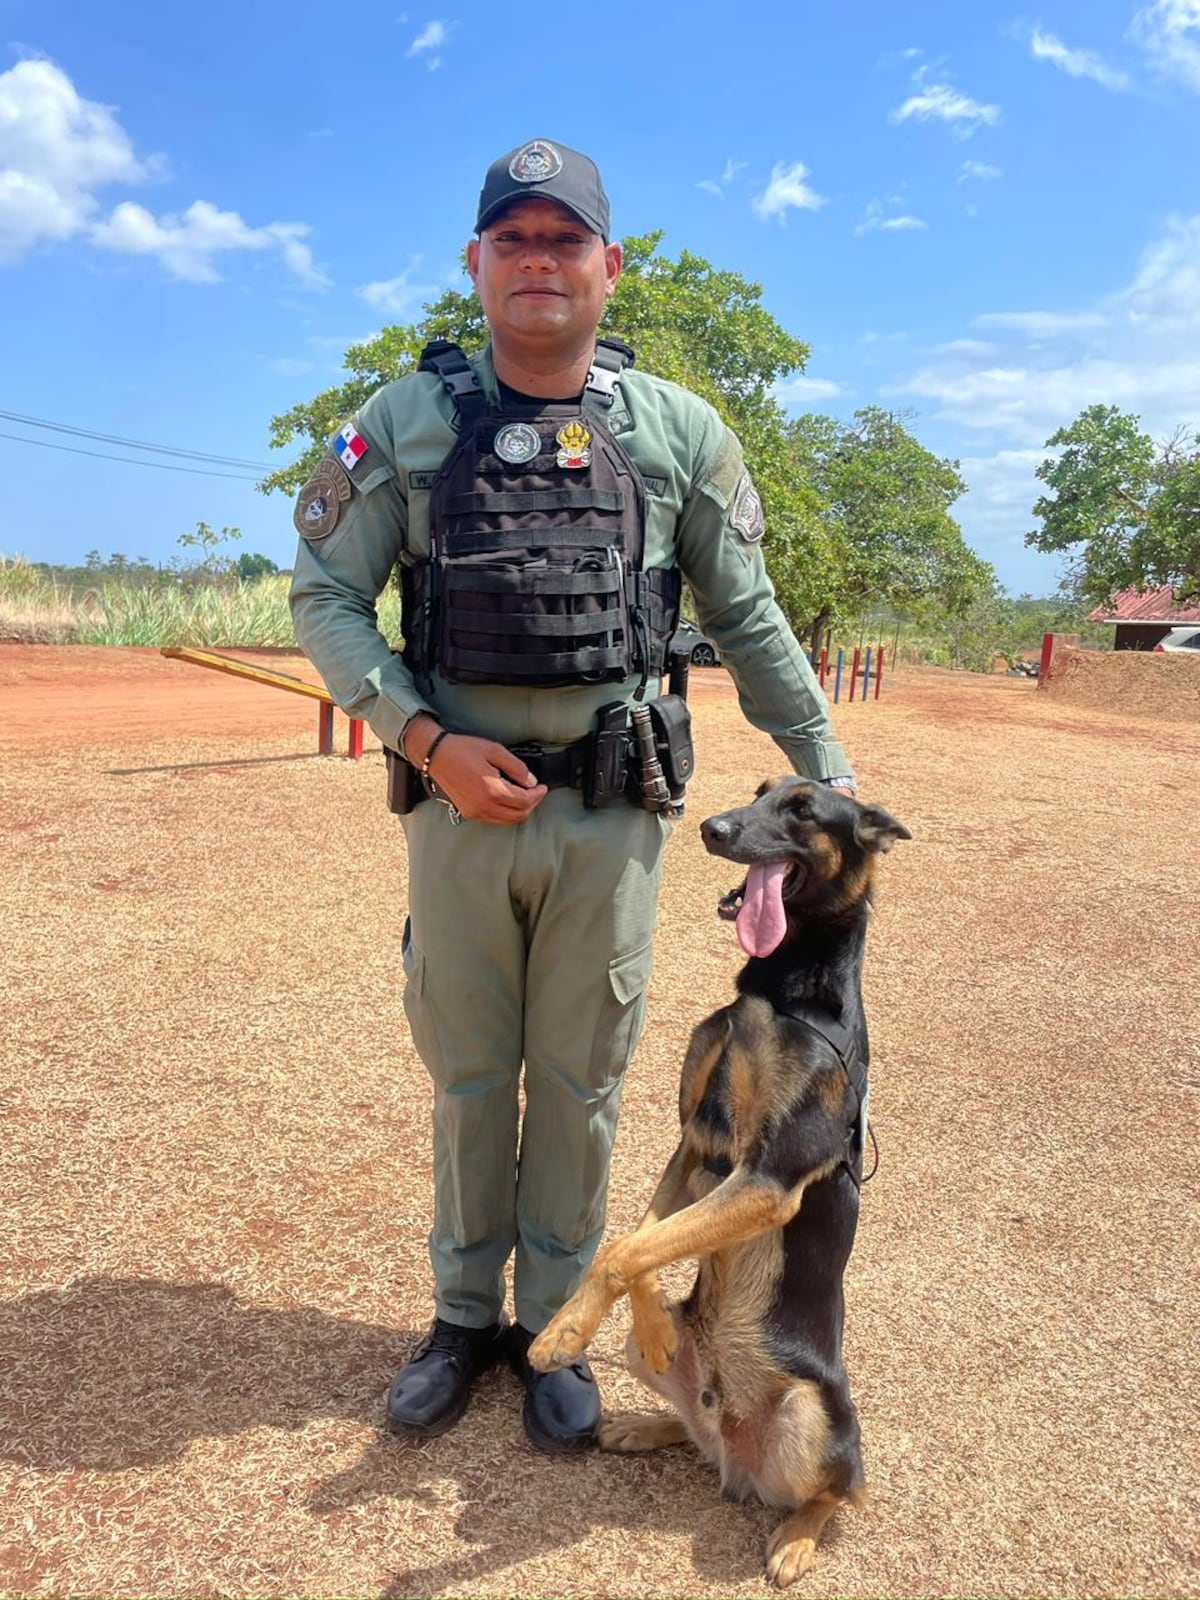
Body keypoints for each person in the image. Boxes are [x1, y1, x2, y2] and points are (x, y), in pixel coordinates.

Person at [288, 138, 856, 1454]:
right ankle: (455, 1317)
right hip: (457, 814)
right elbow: (322, 596)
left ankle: (555, 1322)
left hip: (610, 821)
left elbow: (750, 614)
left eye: (564, 241)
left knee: (582, 1080)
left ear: (608, 264)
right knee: (472, 1076)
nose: (539, 262)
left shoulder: (678, 434)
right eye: (514, 240)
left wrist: (824, 771)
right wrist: (424, 739)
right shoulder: (406, 422)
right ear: (477, 264)